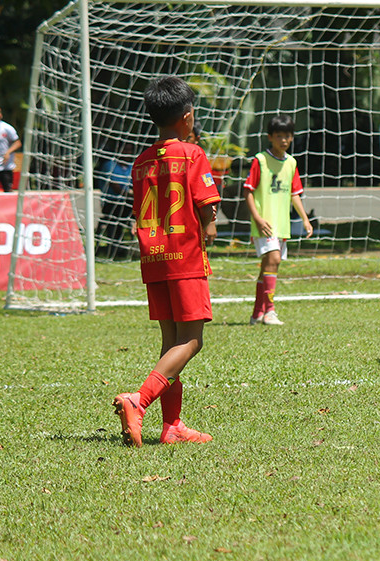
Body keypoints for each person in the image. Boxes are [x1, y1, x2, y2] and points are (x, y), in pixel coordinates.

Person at [113, 75, 220, 447]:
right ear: (187, 118)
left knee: (170, 341)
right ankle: (138, 401)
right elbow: (207, 206)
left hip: (155, 259)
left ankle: (172, 425)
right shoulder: (193, 154)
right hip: (185, 258)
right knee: (192, 341)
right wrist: (210, 228)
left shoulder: (140, 162)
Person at [243, 114, 313, 325]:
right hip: (265, 223)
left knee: (268, 265)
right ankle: (270, 311)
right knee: (274, 260)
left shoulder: (291, 163)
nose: (284, 140)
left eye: (288, 136)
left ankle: (257, 312)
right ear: (270, 137)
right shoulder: (260, 160)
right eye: (279, 136)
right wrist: (257, 218)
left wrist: (305, 219)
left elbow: (294, 194)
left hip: (281, 224)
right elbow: (248, 191)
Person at [0, 106, 21, 192]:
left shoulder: (7, 128)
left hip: (5, 167)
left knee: (8, 192)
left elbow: (17, 143)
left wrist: (8, 152)